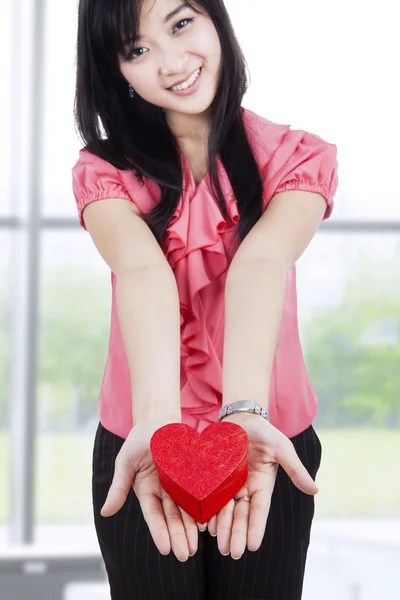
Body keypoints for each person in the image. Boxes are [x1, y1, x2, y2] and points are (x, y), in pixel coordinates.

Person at [71, 0, 339, 598]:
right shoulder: (104, 172)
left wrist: (244, 412)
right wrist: (160, 423)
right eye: (137, 50)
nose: (171, 63)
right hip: (141, 439)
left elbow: (261, 263)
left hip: (267, 441)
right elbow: (142, 271)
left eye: (182, 23)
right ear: (115, 71)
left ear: (216, 19)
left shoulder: (297, 157)